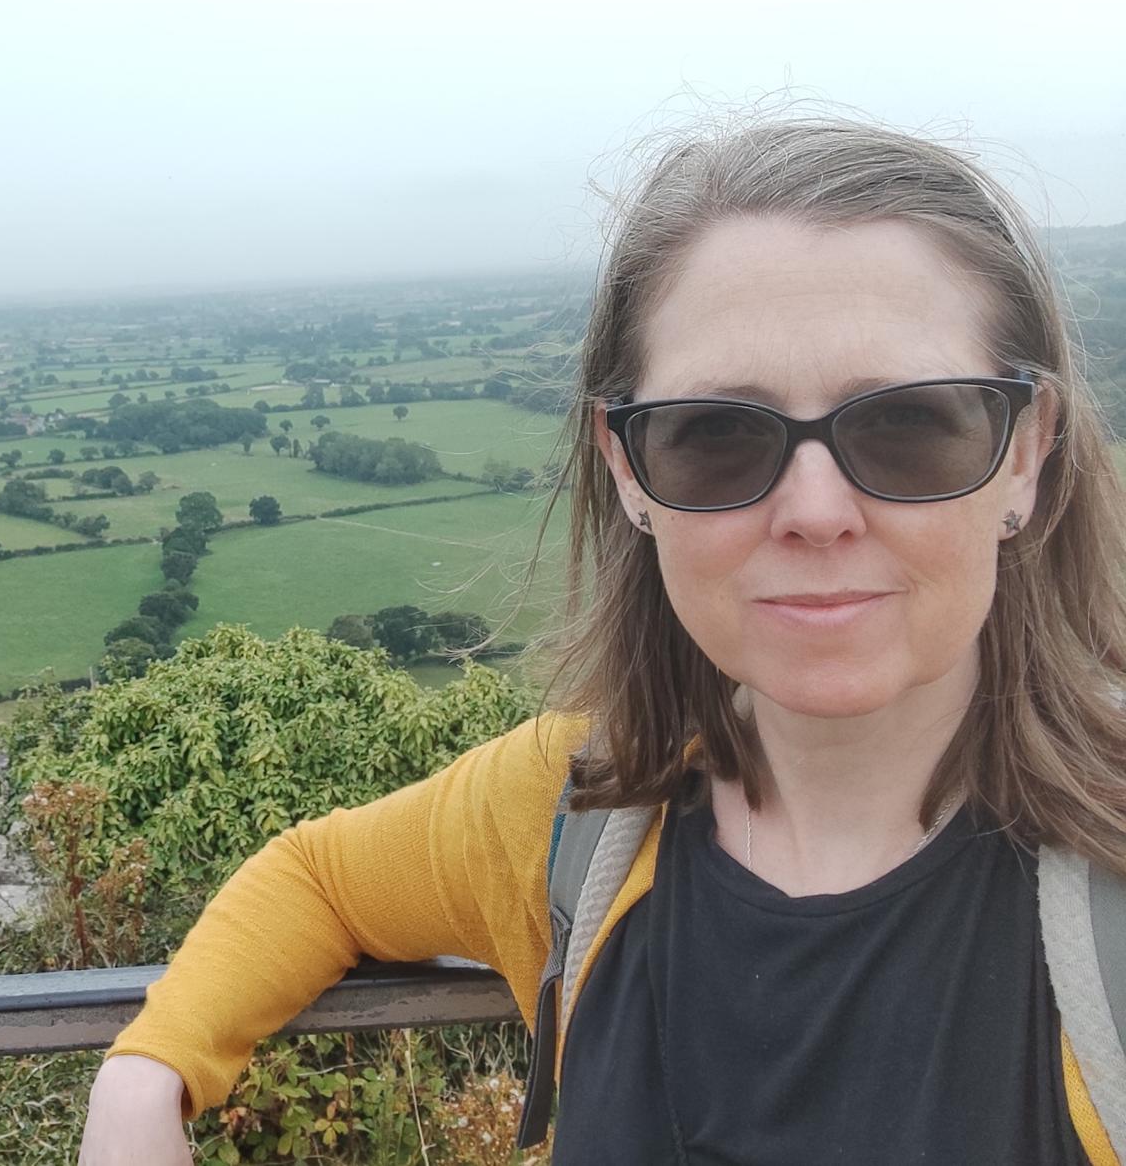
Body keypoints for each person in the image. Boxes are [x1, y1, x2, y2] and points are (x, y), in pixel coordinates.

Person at [79, 117, 1126, 1165]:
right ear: (627, 469)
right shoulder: (575, 812)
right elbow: (319, 877)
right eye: (716, 435)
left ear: (1026, 451)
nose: (817, 510)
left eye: (908, 424)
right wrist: (144, 1080)